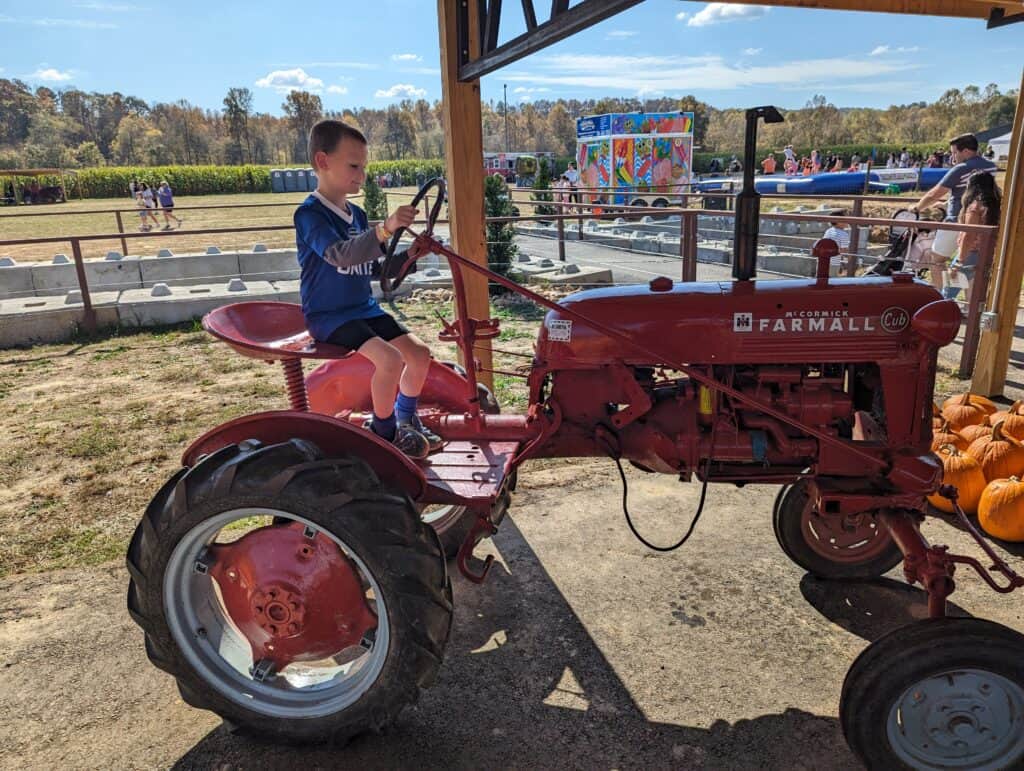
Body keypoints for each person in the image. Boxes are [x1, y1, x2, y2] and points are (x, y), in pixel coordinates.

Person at [294, 119, 438, 459]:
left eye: (364, 166)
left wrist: (410, 255)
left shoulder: (355, 214)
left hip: (363, 308)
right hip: (329, 315)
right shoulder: (310, 215)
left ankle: (405, 419)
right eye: (354, 165)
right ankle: (383, 434)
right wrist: (385, 229)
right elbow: (340, 254)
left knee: (419, 355)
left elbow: (372, 266)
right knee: (388, 360)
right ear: (323, 161)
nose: (361, 175)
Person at [910, 133, 996, 293]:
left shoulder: (961, 168)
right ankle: (967, 306)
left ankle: (940, 296)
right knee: (969, 266)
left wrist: (917, 208)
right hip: (982, 224)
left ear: (966, 152)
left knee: (937, 258)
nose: (952, 157)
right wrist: (947, 203)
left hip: (958, 219)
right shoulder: (990, 167)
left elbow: (934, 193)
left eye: (955, 152)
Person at [944, 172, 1002, 302]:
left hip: (969, 254)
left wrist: (959, 262)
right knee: (974, 298)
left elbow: (969, 235)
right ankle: (972, 321)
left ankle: (941, 319)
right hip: (987, 254)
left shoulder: (974, 207)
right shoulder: (996, 205)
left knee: (947, 293)